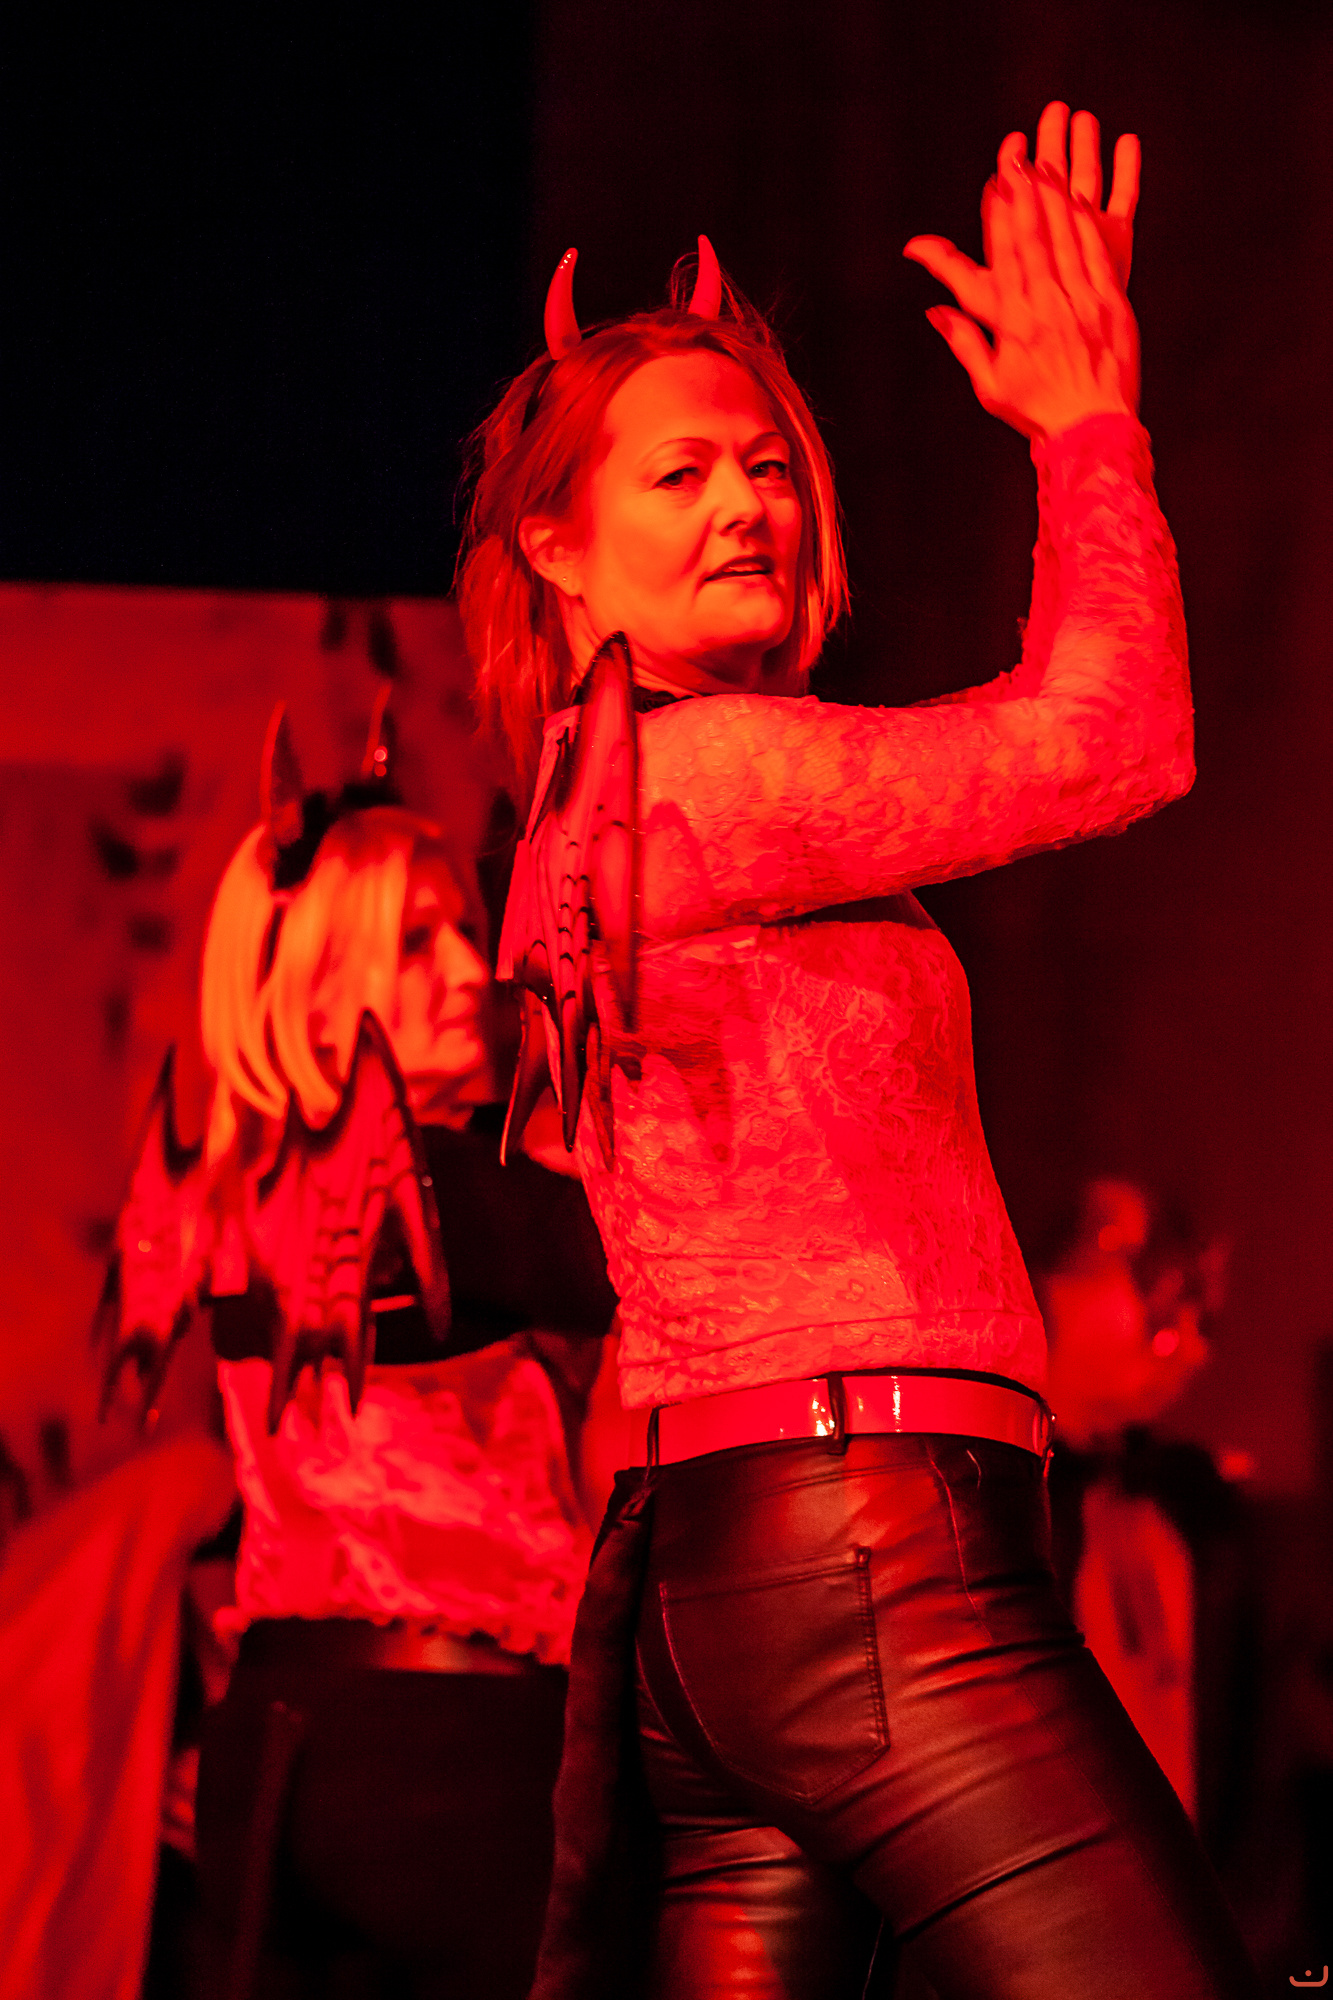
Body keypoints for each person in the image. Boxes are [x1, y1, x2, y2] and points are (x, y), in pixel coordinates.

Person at [454, 102, 1261, 1998]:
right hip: (870, 1552)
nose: (744, 503)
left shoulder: (583, 809)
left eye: (766, 466)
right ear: (555, 548)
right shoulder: (709, 778)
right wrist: (1086, 424)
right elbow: (1111, 735)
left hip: (725, 1569)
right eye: (677, 476)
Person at [99, 712, 618, 1999]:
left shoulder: (253, 1191)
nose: (468, 970)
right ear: (314, 981)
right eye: (415, 940)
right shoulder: (377, 1187)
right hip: (441, 1761)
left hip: (312, 1747)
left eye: (461, 932)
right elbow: (627, 1254)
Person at [1036, 1179, 1258, 1867]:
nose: (1191, 1352)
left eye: (1200, 1322)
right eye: (1164, 1308)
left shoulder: (1184, 1514)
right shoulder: (1005, 1508)